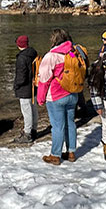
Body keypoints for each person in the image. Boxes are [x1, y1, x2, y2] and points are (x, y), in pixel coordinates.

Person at [37, 29, 79, 165]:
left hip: (56, 96)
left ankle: (55, 155)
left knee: (57, 127)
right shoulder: (72, 52)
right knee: (70, 123)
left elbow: (44, 79)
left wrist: (40, 98)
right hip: (72, 93)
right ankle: (71, 152)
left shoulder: (51, 56)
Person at [12, 35, 38, 143]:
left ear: (19, 45)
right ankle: (34, 130)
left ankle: (27, 134)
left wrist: (16, 85)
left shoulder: (22, 58)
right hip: (33, 86)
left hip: (24, 88)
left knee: (26, 111)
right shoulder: (33, 53)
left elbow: (21, 76)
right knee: (33, 109)